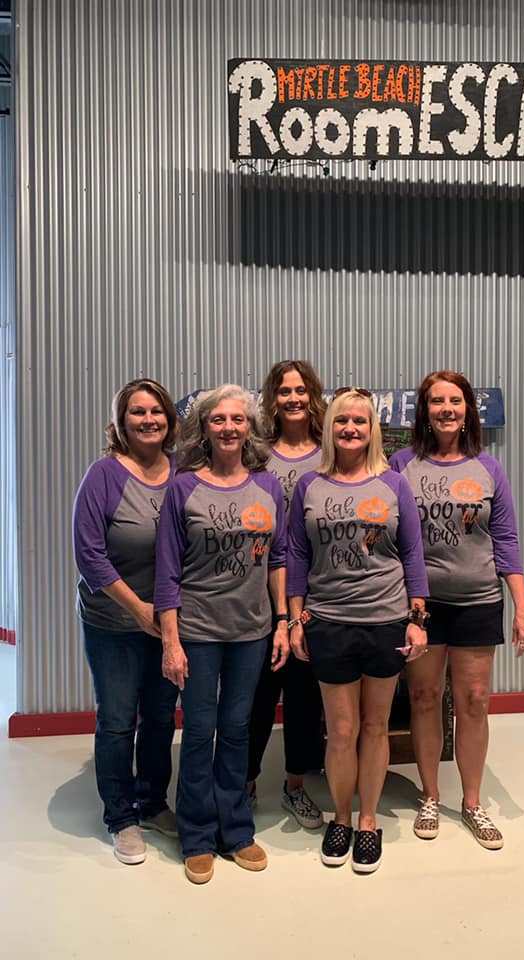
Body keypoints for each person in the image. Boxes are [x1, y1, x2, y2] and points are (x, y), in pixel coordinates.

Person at [390, 370, 524, 849]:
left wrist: (522, 606)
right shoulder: (401, 466)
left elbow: (506, 539)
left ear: (468, 410)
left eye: (455, 401)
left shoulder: (488, 469)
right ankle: (431, 796)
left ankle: (472, 803)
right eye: (437, 401)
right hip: (423, 604)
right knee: (424, 698)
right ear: (424, 411)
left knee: (474, 700)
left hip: (478, 600)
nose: (447, 409)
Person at [287, 388, 429, 873]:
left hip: (385, 620)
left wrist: (417, 620)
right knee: (341, 730)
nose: (350, 428)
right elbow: (297, 555)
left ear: (372, 430)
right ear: (330, 428)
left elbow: (412, 554)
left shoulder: (394, 485)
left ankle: (368, 821)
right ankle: (342, 818)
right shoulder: (309, 486)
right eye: (341, 420)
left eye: (360, 421)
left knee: (374, 726)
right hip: (328, 622)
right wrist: (295, 619)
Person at [154, 384, 289, 885]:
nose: (229, 428)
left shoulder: (269, 487)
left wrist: (281, 622)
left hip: (251, 632)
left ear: (250, 428)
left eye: (238, 419)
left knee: (237, 730)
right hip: (198, 632)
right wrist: (171, 641)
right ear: (204, 429)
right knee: (198, 732)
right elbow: (168, 571)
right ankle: (195, 834)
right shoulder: (183, 489)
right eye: (219, 420)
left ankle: (235, 830)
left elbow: (278, 558)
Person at [72, 377, 180, 866]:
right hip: (113, 623)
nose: (148, 420)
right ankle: (120, 815)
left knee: (160, 717)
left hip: (168, 624)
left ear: (169, 420)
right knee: (117, 720)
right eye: (138, 411)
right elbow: (90, 556)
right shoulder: (103, 475)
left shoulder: (182, 471)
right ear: (121, 421)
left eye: (156, 411)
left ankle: (152, 804)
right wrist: (138, 608)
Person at [247, 361, 327, 829]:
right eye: (284, 391)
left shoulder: (329, 453)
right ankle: (245, 783)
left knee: (304, 698)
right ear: (272, 399)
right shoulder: (257, 455)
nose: (293, 399)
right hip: (259, 595)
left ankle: (295, 786)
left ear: (312, 396)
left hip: (317, 597)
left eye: (300, 390)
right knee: (256, 696)